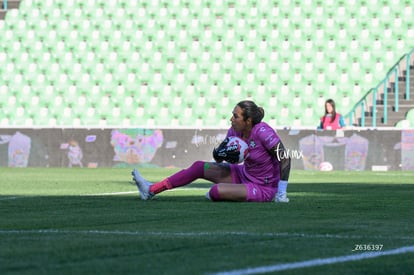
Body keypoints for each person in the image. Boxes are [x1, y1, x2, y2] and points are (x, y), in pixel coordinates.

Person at [132, 100, 291, 203]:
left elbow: (284, 158)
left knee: (215, 192)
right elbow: (219, 158)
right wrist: (220, 153)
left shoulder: (263, 132)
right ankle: (151, 190)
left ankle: (272, 194)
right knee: (199, 167)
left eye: (235, 116)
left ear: (248, 121)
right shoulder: (234, 131)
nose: (231, 119)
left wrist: (281, 192)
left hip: (265, 187)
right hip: (242, 173)